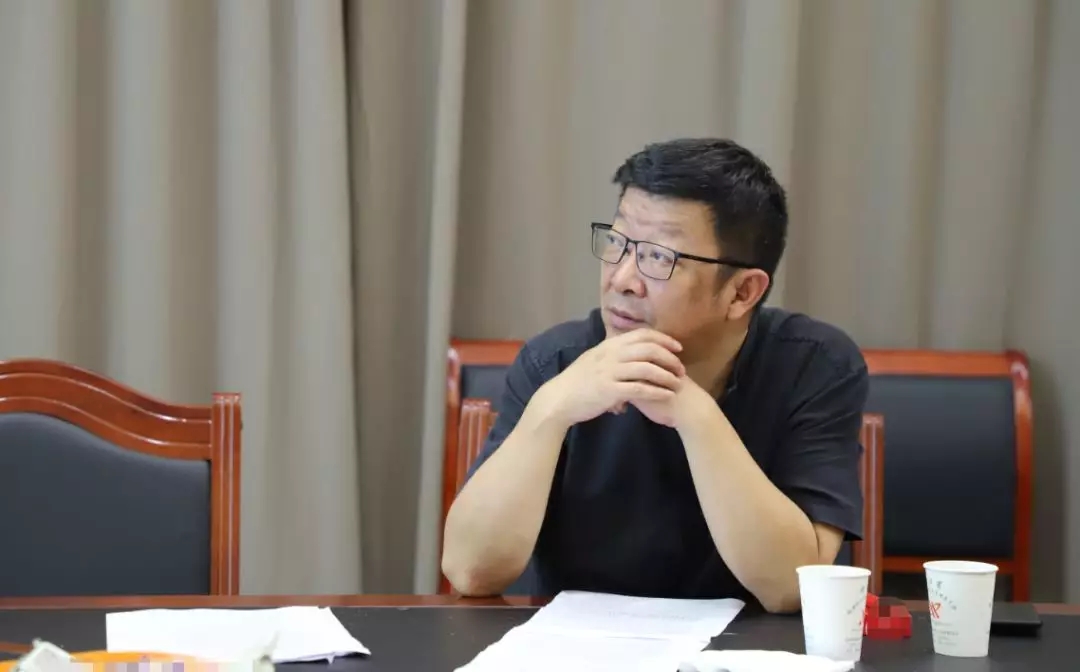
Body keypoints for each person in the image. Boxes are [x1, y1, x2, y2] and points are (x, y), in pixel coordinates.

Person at [441, 137, 868, 613]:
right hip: (583, 645)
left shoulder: (814, 365)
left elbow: (792, 588)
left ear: (742, 293)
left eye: (659, 257)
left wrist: (694, 414)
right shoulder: (556, 363)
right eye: (617, 243)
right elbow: (470, 571)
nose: (622, 279)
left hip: (750, 648)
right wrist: (551, 410)